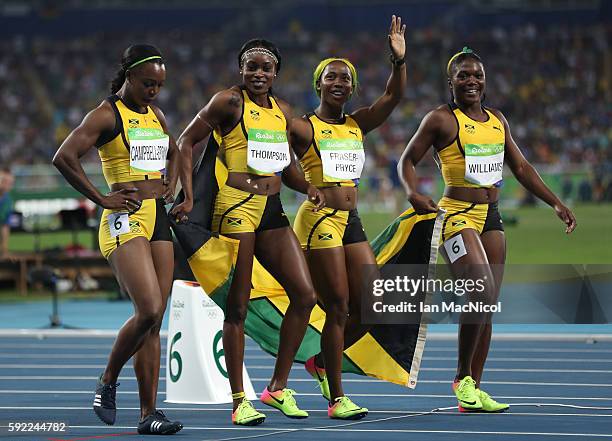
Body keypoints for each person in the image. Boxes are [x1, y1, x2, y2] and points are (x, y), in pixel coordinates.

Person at [398, 47, 576, 413]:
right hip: (456, 215)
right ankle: (461, 377)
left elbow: (522, 167)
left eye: (477, 75)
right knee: (480, 288)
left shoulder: (498, 120)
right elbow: (407, 160)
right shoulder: (441, 120)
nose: (472, 81)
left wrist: (555, 202)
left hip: (490, 215)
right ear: (451, 82)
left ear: (485, 81)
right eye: (463, 75)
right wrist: (413, 192)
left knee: (487, 302)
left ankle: (474, 389)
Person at [172, 39, 322, 426]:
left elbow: (286, 168)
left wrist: (308, 187)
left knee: (304, 295)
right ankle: (239, 400)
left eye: (265, 69)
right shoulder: (228, 102)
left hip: (271, 210)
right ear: (241, 70)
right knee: (237, 308)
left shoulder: (282, 111)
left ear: (276, 74)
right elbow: (185, 141)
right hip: (235, 208)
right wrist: (188, 197)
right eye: (251, 67)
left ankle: (277, 386)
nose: (258, 74)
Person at [52, 44, 183, 434]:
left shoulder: (156, 115)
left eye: (159, 85)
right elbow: (64, 156)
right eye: (147, 83)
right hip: (123, 218)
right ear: (128, 76)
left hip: (157, 216)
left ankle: (148, 415)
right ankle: (108, 379)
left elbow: (175, 153)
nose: (153, 92)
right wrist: (101, 198)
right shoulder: (107, 114)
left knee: (155, 321)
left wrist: (170, 190)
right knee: (147, 308)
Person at [288, 15, 406, 419]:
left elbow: (392, 100)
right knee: (337, 306)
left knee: (374, 304)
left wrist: (398, 62)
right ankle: (338, 398)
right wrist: (304, 187)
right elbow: (272, 161)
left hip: (350, 219)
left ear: (353, 87)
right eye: (331, 78)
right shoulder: (303, 127)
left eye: (345, 79)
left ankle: (321, 362)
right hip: (319, 220)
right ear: (318, 84)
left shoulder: (357, 124)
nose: (339, 84)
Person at [0, 168, 15, 259]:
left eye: (10, 183)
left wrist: (4, 249)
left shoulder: (8, 201)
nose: (7, 185)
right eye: (4, 181)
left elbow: (5, 226)